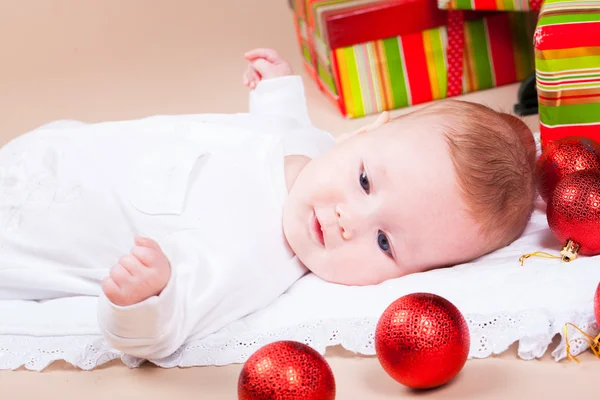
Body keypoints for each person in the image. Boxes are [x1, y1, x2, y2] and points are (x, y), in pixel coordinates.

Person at [0, 48, 536, 360]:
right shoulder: (316, 150)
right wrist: (276, 90)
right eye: (367, 181)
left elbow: (158, 335)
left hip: (26, 235)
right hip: (53, 151)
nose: (350, 219)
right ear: (365, 134)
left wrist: (148, 296)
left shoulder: (255, 259)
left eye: (384, 242)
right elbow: (286, 129)